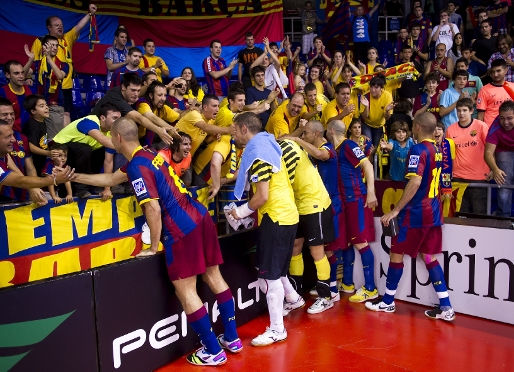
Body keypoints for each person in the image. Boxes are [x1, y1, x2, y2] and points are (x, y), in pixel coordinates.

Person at [72, 117, 242, 366]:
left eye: (111, 137)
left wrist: (153, 246)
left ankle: (212, 350)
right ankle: (232, 338)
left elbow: (151, 207)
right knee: (214, 277)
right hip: (201, 216)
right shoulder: (149, 154)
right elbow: (108, 181)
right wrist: (74, 176)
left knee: (186, 290)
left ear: (118, 139)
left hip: (180, 227)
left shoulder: (135, 167)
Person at [369, 112, 456, 322]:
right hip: (433, 212)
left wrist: (396, 210)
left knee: (396, 253)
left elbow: (415, 182)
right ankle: (446, 306)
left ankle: (388, 302)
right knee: (429, 257)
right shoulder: (437, 148)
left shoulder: (417, 149)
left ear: (416, 127)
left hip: (416, 212)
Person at [229, 112, 298, 346]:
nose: (233, 133)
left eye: (235, 129)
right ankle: (293, 298)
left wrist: (239, 213)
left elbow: (262, 196)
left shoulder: (258, 154)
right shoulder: (269, 142)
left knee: (268, 276)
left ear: (244, 129)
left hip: (277, 216)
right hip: (288, 215)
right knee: (276, 270)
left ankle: (277, 329)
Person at [285, 121, 344, 302]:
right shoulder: (305, 151)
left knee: (322, 251)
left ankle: (328, 294)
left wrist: (296, 139)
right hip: (302, 205)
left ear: (317, 134)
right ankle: (296, 294)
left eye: (306, 133)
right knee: (297, 247)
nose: (304, 136)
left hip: (322, 204)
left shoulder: (328, 147)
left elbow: (320, 154)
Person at [275, 137, 334, 315]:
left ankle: (326, 297)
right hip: (298, 204)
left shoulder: (286, 149)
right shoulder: (281, 148)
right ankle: (296, 296)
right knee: (295, 248)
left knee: (317, 252)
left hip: (314, 202)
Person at [30, 4, 98, 127]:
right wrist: (29, 78)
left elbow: (79, 26)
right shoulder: (39, 42)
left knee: (66, 113)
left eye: (61, 25)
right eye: (56, 25)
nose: (60, 27)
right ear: (49, 27)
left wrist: (90, 14)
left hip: (65, 84)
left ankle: (65, 141)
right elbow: (33, 63)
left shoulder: (67, 38)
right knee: (43, 113)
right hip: (46, 85)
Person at [193, 90, 269, 199]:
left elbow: (239, 172)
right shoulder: (227, 139)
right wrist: (217, 184)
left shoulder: (247, 147)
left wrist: (222, 181)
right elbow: (215, 162)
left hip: (217, 180)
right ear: (243, 130)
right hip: (202, 176)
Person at [335, 116, 379, 302]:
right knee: (346, 242)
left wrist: (371, 192)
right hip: (346, 200)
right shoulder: (338, 149)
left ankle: (370, 288)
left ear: (330, 132)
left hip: (356, 198)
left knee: (360, 242)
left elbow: (367, 165)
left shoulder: (348, 145)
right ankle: (347, 283)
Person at [53, 103, 121, 199]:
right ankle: (81, 189)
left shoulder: (111, 133)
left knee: (100, 153)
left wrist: (107, 188)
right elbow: (102, 139)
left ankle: (88, 186)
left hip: (78, 155)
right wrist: (127, 148)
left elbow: (108, 161)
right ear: (102, 118)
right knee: (85, 149)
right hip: (59, 148)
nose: (118, 122)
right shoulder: (90, 121)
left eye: (119, 119)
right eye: (114, 118)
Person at [91, 73, 177, 146]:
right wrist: (158, 130)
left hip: (108, 134)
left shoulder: (123, 92)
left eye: (138, 91)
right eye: (133, 90)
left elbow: (146, 89)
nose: (136, 94)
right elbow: (139, 118)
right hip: (92, 135)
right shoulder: (116, 97)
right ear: (123, 87)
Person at [0, 119, 73, 193]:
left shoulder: (4, 156)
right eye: (8, 136)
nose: (14, 140)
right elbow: (19, 181)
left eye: (12, 135)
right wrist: (53, 180)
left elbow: (21, 176)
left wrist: (35, 188)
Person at [446, 98, 490, 214]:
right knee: (459, 215)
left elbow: (490, 149)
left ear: (471, 111)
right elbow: (448, 155)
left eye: (464, 110)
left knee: (479, 215)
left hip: (479, 178)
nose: (461, 113)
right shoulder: (450, 130)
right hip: (458, 178)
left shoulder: (481, 126)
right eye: (459, 110)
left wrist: (492, 169)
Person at [0, 99, 47, 205]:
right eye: (4, 114)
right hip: (4, 195)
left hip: (22, 194)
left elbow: (30, 167)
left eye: (12, 114)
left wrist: (35, 188)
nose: (9, 117)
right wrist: (30, 186)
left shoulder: (21, 137)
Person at [23, 35, 69, 141]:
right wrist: (30, 60)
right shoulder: (38, 63)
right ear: (44, 47)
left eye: (57, 45)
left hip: (55, 107)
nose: (55, 48)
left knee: (54, 140)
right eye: (52, 45)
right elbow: (23, 75)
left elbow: (60, 75)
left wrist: (49, 58)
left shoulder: (64, 64)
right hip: (38, 106)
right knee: (39, 139)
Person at [485, 101, 514, 217]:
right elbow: (488, 152)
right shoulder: (495, 126)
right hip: (503, 151)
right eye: (502, 118)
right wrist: (495, 169)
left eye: (510, 118)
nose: (505, 122)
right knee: (503, 180)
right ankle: (504, 216)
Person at [136, 81, 181, 147]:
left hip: (148, 141)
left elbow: (179, 116)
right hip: (134, 140)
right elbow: (153, 118)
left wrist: (190, 110)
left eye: (165, 95)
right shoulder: (143, 104)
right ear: (151, 95)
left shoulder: (162, 107)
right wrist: (171, 129)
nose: (163, 99)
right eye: (160, 95)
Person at [477, 59, 514, 126]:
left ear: (506, 70)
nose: (495, 74)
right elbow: (480, 115)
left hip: (510, 129)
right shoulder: (484, 90)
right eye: (493, 72)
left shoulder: (512, 87)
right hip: (492, 129)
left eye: (498, 71)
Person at [360, 75, 395, 147]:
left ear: (382, 88)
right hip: (367, 124)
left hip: (379, 126)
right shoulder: (365, 96)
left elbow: (387, 118)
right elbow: (364, 117)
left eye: (376, 87)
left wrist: (387, 111)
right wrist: (366, 106)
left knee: (375, 148)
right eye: (371, 87)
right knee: (368, 146)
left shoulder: (387, 96)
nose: (373, 90)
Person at [21, 94, 52, 174]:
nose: (46, 107)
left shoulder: (42, 121)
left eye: (46, 105)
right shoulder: (32, 125)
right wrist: (48, 153)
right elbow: (30, 146)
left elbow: (43, 141)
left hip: (41, 159)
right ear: (33, 111)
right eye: (42, 106)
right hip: (33, 161)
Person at [0, 60, 32, 132]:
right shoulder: (2, 93)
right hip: (12, 135)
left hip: (31, 134)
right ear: (7, 75)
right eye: (16, 73)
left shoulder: (30, 91)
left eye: (22, 73)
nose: (21, 76)